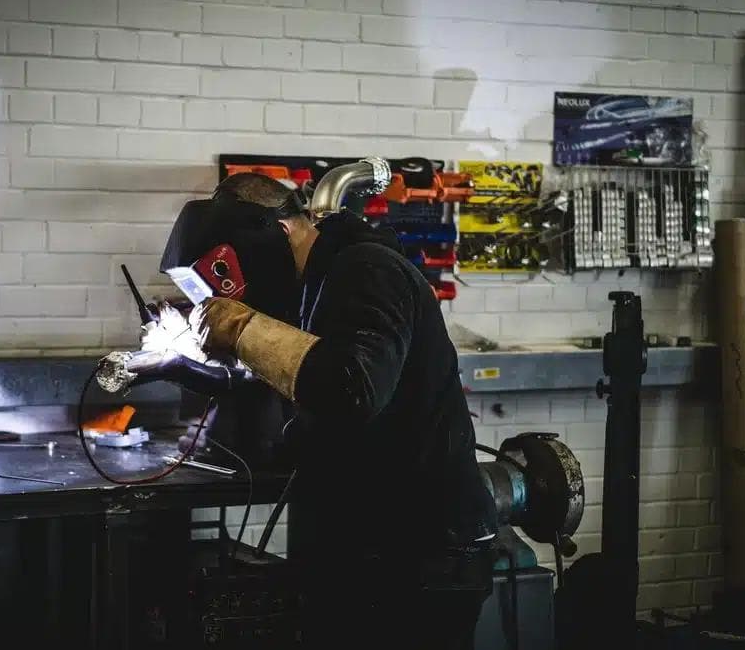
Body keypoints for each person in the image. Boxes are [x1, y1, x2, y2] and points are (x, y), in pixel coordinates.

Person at [162, 172, 498, 649]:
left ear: (278, 233)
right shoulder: (315, 286)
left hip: (421, 554)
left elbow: (352, 386)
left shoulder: (368, 270)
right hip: (371, 544)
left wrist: (243, 330)